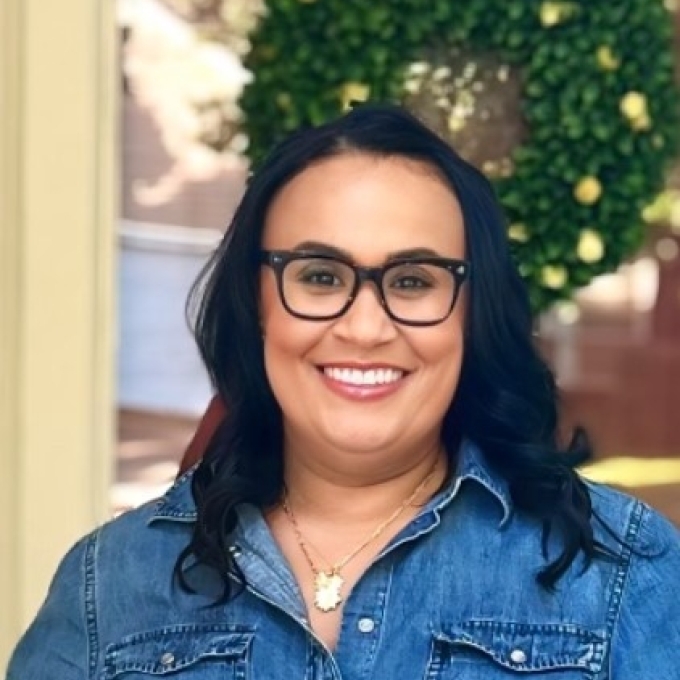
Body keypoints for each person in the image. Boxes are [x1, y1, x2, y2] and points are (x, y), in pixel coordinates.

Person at [8, 104, 680, 679]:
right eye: (321, 277)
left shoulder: (623, 574)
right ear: (256, 302)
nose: (364, 327)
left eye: (414, 280)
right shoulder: (110, 585)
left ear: (473, 314)